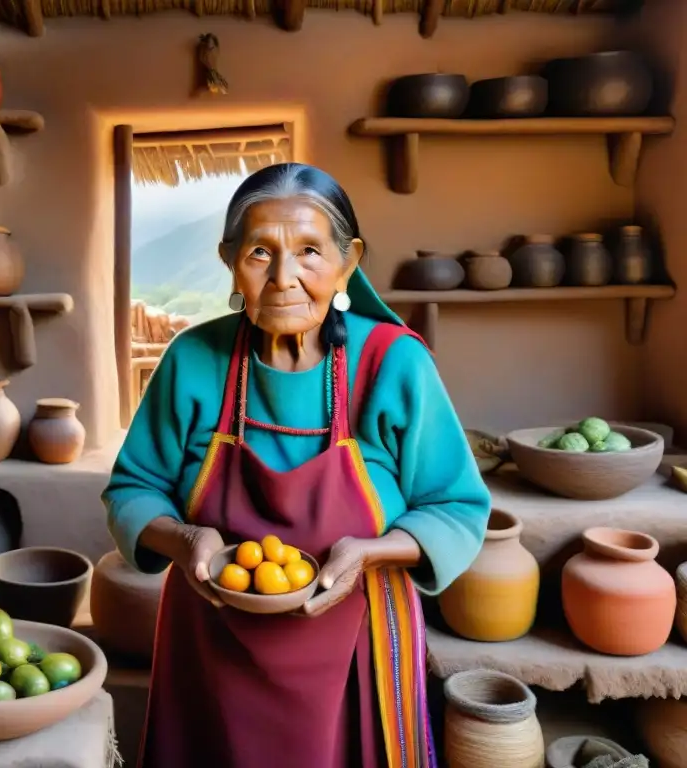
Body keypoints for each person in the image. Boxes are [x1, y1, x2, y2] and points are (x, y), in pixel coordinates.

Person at [102, 163, 491, 768]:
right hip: (210, 644)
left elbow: (457, 505)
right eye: (260, 252)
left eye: (310, 251)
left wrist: (369, 552)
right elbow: (133, 489)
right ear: (230, 259)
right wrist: (184, 540)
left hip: (357, 640)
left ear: (347, 261)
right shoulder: (192, 360)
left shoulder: (393, 364)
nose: (284, 278)